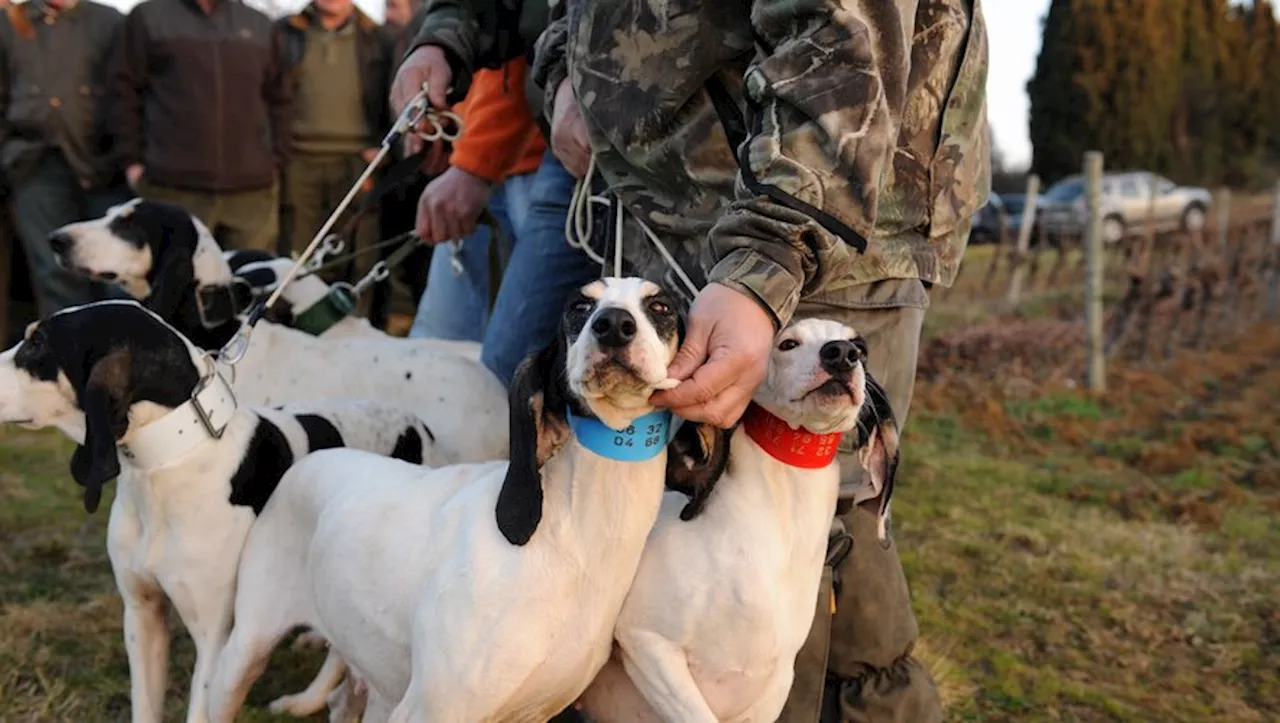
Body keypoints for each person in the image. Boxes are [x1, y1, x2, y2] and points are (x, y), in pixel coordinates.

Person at [394, 1, 990, 721]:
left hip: (832, 216)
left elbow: (837, 38)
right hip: (675, 211)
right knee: (693, 506)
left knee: (816, 523)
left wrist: (766, 258)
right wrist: (536, 66)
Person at [109, 0, 289, 252]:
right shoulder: (148, 18)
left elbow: (279, 100)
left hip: (252, 192)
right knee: (173, 284)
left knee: (254, 283)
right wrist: (131, 161)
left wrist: (275, 160)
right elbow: (123, 91)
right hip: (172, 188)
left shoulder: (259, 24)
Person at [0, 0, 129, 318]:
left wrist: (128, 156)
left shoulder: (110, 22)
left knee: (116, 269)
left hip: (104, 165)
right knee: (55, 271)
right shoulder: (11, 22)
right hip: (34, 163)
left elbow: (131, 90)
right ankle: (65, 358)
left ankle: (119, 356)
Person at [408, 55, 546, 341]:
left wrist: (474, 160)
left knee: (527, 349)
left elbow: (519, 55)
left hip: (532, 167)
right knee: (440, 339)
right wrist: (452, 124)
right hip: (476, 161)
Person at [275, 0, 394, 300]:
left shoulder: (378, 37)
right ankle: (295, 331)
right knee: (297, 255)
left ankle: (356, 331)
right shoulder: (284, 32)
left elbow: (393, 91)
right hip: (298, 160)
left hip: (358, 161)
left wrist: (383, 143)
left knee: (358, 255)